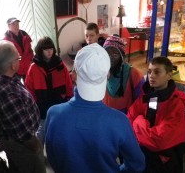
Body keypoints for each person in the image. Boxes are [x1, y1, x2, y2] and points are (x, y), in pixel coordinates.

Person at [45, 43, 145, 173]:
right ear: (107, 75)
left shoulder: (53, 114)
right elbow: (137, 164)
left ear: (73, 75)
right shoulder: (120, 121)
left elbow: (52, 158)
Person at [0, 41, 46, 173]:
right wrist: (37, 147)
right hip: (21, 143)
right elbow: (24, 135)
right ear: (12, 65)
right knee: (34, 168)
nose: (20, 60)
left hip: (6, 135)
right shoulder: (8, 95)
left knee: (17, 166)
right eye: (18, 58)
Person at [128, 56, 185, 173]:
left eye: (157, 72)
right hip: (145, 155)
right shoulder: (147, 96)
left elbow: (158, 141)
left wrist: (139, 121)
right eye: (149, 71)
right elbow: (128, 120)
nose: (151, 76)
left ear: (170, 75)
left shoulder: (176, 104)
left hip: (165, 160)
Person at [25, 36, 73, 146]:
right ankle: (40, 152)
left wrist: (68, 97)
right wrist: (35, 102)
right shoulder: (34, 67)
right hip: (42, 104)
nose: (49, 52)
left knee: (60, 128)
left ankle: (59, 148)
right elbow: (29, 87)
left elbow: (68, 82)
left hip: (59, 103)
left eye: (51, 49)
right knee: (42, 129)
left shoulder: (60, 64)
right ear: (40, 50)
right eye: (46, 49)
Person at [103, 35, 145, 114]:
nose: (110, 57)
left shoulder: (134, 74)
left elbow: (141, 102)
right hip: (106, 118)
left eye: (115, 53)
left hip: (127, 119)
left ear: (122, 56)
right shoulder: (101, 73)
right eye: (107, 53)